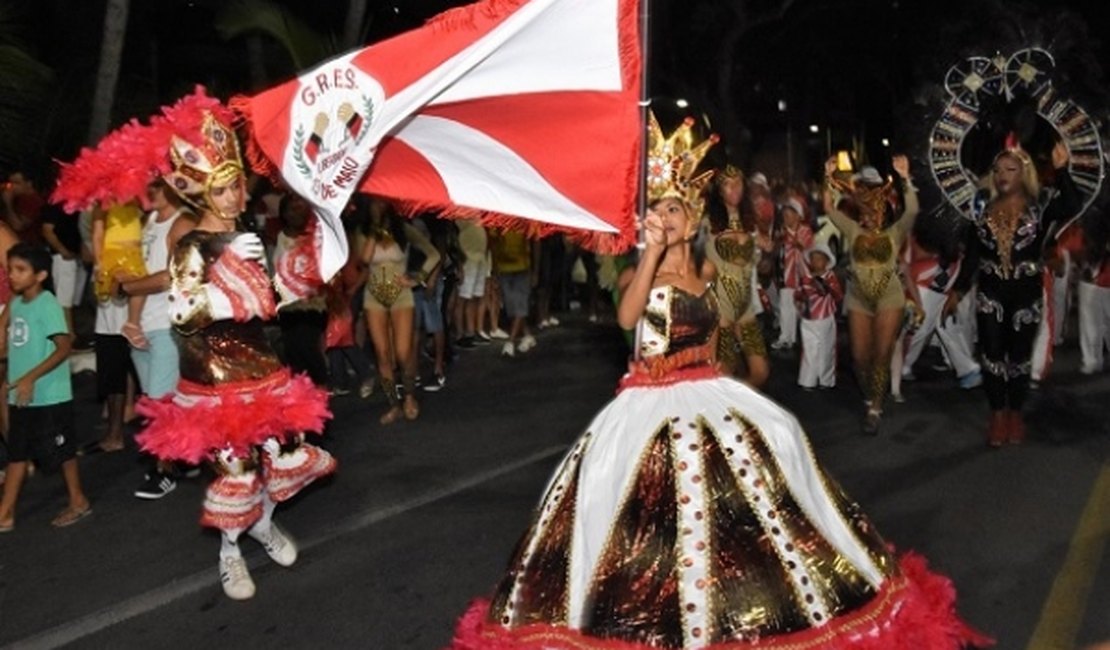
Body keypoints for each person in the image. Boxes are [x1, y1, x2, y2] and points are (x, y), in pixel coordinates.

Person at [451, 114, 988, 650]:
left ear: (692, 221)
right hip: (648, 401)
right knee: (641, 506)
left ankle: (750, 598)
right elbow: (627, 317)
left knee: (774, 445)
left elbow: (713, 335)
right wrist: (651, 253)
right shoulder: (643, 271)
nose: (665, 216)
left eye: (675, 208)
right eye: (658, 208)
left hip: (703, 385)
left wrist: (729, 373)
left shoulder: (704, 273)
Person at [53, 90, 336, 600]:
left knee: (282, 458)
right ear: (203, 192)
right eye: (223, 189)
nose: (234, 198)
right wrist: (230, 273)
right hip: (215, 379)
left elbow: (267, 301)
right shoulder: (191, 245)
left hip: (262, 370)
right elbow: (185, 313)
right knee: (238, 471)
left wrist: (304, 272)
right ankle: (230, 552)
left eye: (236, 187)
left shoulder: (245, 233)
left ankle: (262, 525)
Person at [967, 137, 1077, 446]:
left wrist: (1062, 170)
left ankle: (1015, 414)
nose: (1003, 175)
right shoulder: (981, 207)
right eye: (998, 169)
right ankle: (997, 415)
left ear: (1024, 173)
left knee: (1019, 357)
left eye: (1011, 169)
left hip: (1025, 293)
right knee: (991, 355)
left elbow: (1072, 205)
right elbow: (973, 253)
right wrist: (958, 290)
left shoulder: (1040, 207)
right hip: (990, 293)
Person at [824, 156, 919, 435]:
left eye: (873, 210)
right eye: (864, 211)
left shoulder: (894, 233)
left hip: (889, 297)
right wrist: (827, 177)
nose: (868, 215)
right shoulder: (853, 231)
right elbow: (828, 207)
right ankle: (871, 393)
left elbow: (912, 210)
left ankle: (875, 408)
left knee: (881, 354)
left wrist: (905, 177)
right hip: (858, 297)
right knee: (859, 357)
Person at [0, 243, 91, 531]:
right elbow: (7, 331)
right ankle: (5, 512)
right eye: (10, 269)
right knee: (17, 454)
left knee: (62, 452)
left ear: (40, 275)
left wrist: (30, 377)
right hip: (21, 395)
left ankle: (78, 500)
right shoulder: (16, 303)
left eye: (20, 270)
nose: (12, 275)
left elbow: (64, 347)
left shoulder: (48, 303)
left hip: (50, 394)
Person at [360, 197, 440, 424]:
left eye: (381, 203)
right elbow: (365, 259)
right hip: (373, 297)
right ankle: (393, 404)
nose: (377, 206)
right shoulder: (364, 232)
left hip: (401, 295)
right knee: (382, 354)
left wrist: (418, 278)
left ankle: (409, 397)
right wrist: (374, 229)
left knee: (404, 353)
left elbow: (433, 254)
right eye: (373, 203)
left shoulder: (403, 230)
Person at [703, 164, 769, 388]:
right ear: (719, 190)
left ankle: (737, 404)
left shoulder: (750, 223)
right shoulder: (707, 224)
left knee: (761, 372)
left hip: (745, 308)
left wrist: (765, 254)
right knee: (724, 375)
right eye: (727, 184)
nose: (734, 188)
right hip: (719, 310)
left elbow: (757, 262)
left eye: (738, 182)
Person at [797, 242, 843, 389]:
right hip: (808, 318)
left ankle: (826, 379)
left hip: (825, 317)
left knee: (826, 349)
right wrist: (799, 301)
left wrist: (826, 285)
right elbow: (799, 294)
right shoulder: (806, 277)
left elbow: (838, 295)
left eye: (819, 258)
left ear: (826, 261)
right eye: (813, 258)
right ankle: (807, 380)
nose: (816, 262)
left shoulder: (830, 277)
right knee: (809, 349)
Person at [771, 197, 813, 351]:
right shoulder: (781, 233)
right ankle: (786, 338)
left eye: (789, 213)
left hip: (803, 276)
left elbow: (803, 245)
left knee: (801, 307)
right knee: (785, 306)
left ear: (798, 216)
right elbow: (775, 249)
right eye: (784, 214)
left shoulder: (805, 231)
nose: (785, 216)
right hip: (787, 275)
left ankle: (800, 338)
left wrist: (786, 237)